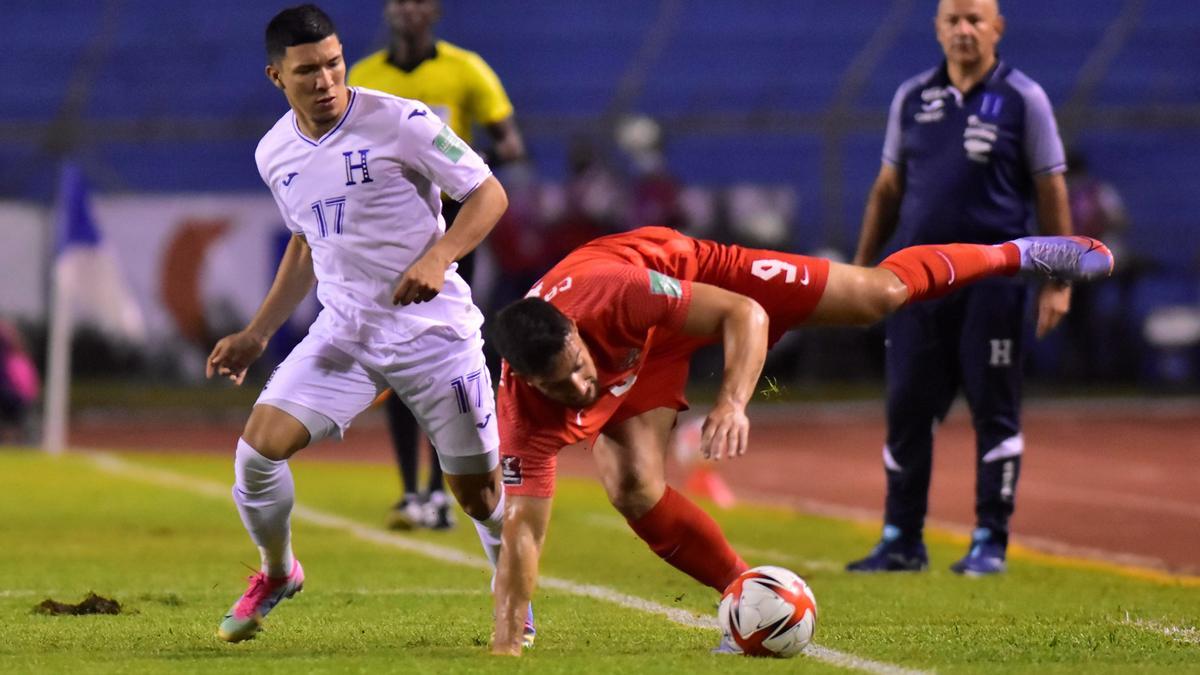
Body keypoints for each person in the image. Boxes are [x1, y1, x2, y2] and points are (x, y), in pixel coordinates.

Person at [487, 225, 1112, 654]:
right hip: (640, 350)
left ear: (572, 330)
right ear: (527, 380)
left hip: (692, 280)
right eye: (560, 383)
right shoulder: (523, 416)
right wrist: (507, 643)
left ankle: (1022, 253)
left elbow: (743, 314)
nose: (579, 383)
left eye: (576, 362)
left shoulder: (616, 295)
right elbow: (521, 529)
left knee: (878, 295)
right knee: (632, 488)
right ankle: (745, 594)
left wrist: (732, 402)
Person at [204, 5, 534, 645]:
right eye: (307, 71)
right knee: (256, 455)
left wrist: (440, 256)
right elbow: (305, 243)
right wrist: (258, 332)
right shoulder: (273, 152)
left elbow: (489, 192)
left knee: (477, 496)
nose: (326, 80)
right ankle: (278, 572)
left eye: (334, 64)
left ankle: (515, 605)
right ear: (277, 77)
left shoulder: (402, 120)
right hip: (345, 335)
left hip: (435, 336)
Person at [845, 0, 1075, 576]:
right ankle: (901, 539)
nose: (964, 30)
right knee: (906, 410)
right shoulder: (911, 98)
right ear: (937, 30)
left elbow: (1051, 191)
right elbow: (887, 190)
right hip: (916, 285)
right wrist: (859, 271)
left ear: (997, 28)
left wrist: (1058, 279)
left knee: (994, 411)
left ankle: (989, 541)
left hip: (992, 286)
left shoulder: (1025, 99)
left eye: (976, 19)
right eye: (953, 20)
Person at [347, 0, 526, 531]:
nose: (407, 8)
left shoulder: (466, 69)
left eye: (418, 0)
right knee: (399, 360)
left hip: (453, 229)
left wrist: (450, 157)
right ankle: (412, 492)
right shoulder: (364, 75)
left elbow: (508, 140)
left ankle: (443, 490)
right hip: (388, 234)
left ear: (435, 11)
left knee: (449, 351)